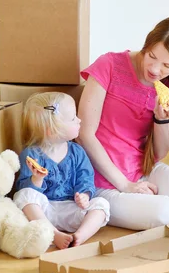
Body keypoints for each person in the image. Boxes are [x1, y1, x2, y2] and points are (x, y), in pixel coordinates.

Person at [77, 16, 169, 231]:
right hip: (101, 182)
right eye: (152, 56)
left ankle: (147, 201)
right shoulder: (109, 65)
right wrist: (125, 185)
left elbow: (159, 152)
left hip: (142, 171)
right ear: (147, 44)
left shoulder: (166, 85)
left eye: (167, 65)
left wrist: (162, 120)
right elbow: (84, 134)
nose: (156, 69)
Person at [14, 92, 110, 249]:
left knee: (101, 204)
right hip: (42, 212)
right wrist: (36, 180)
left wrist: (84, 195)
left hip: (71, 208)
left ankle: (79, 236)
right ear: (52, 131)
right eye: (73, 118)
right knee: (23, 196)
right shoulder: (31, 155)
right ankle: (52, 234)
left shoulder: (77, 151)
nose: (79, 120)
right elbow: (24, 190)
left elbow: (85, 178)